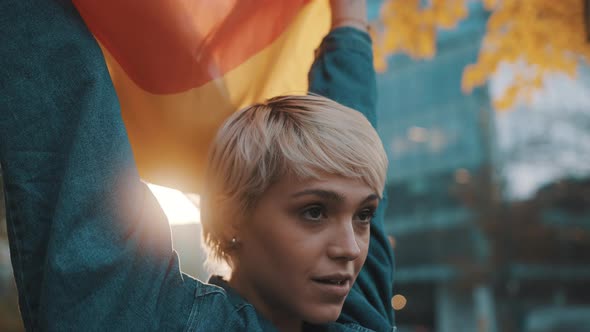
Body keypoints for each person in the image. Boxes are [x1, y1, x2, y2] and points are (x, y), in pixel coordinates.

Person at [0, 0, 395, 331]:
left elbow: (350, 130)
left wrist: (350, 19)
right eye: (314, 212)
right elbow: (67, 126)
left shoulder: (356, 311)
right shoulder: (149, 319)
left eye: (364, 215)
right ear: (233, 215)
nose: (351, 248)